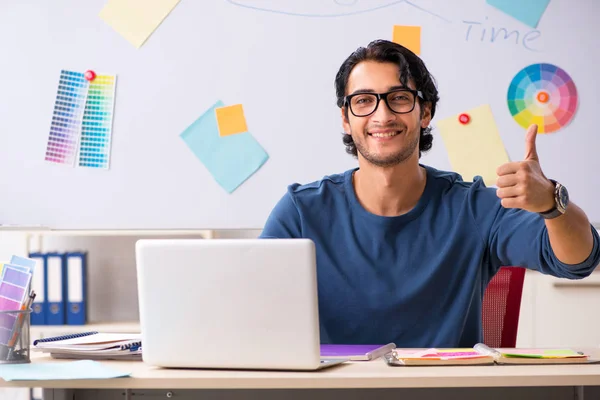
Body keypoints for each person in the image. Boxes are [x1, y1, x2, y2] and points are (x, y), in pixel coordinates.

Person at [259, 39, 600, 347]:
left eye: (399, 99)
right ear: (346, 119)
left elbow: (578, 261)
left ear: (425, 113)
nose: (382, 114)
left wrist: (552, 203)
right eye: (363, 101)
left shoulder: (476, 207)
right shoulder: (302, 212)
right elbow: (247, 301)